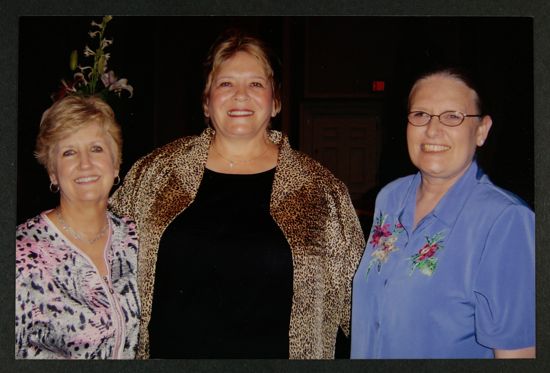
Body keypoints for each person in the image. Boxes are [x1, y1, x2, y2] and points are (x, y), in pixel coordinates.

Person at [109, 29, 365, 359]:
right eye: (226, 83)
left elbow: (359, 301)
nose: (240, 95)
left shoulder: (320, 190)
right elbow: (101, 256)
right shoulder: (156, 173)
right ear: (206, 100)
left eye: (256, 84)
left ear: (275, 102)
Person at [351, 67, 535, 358]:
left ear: (482, 130)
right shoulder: (390, 198)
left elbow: (517, 353)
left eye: (452, 117)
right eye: (421, 115)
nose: (432, 130)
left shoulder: (506, 220)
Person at [15, 95, 141, 359]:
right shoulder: (21, 253)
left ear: (116, 163)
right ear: (52, 171)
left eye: (96, 148)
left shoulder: (135, 239)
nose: (85, 163)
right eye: (69, 152)